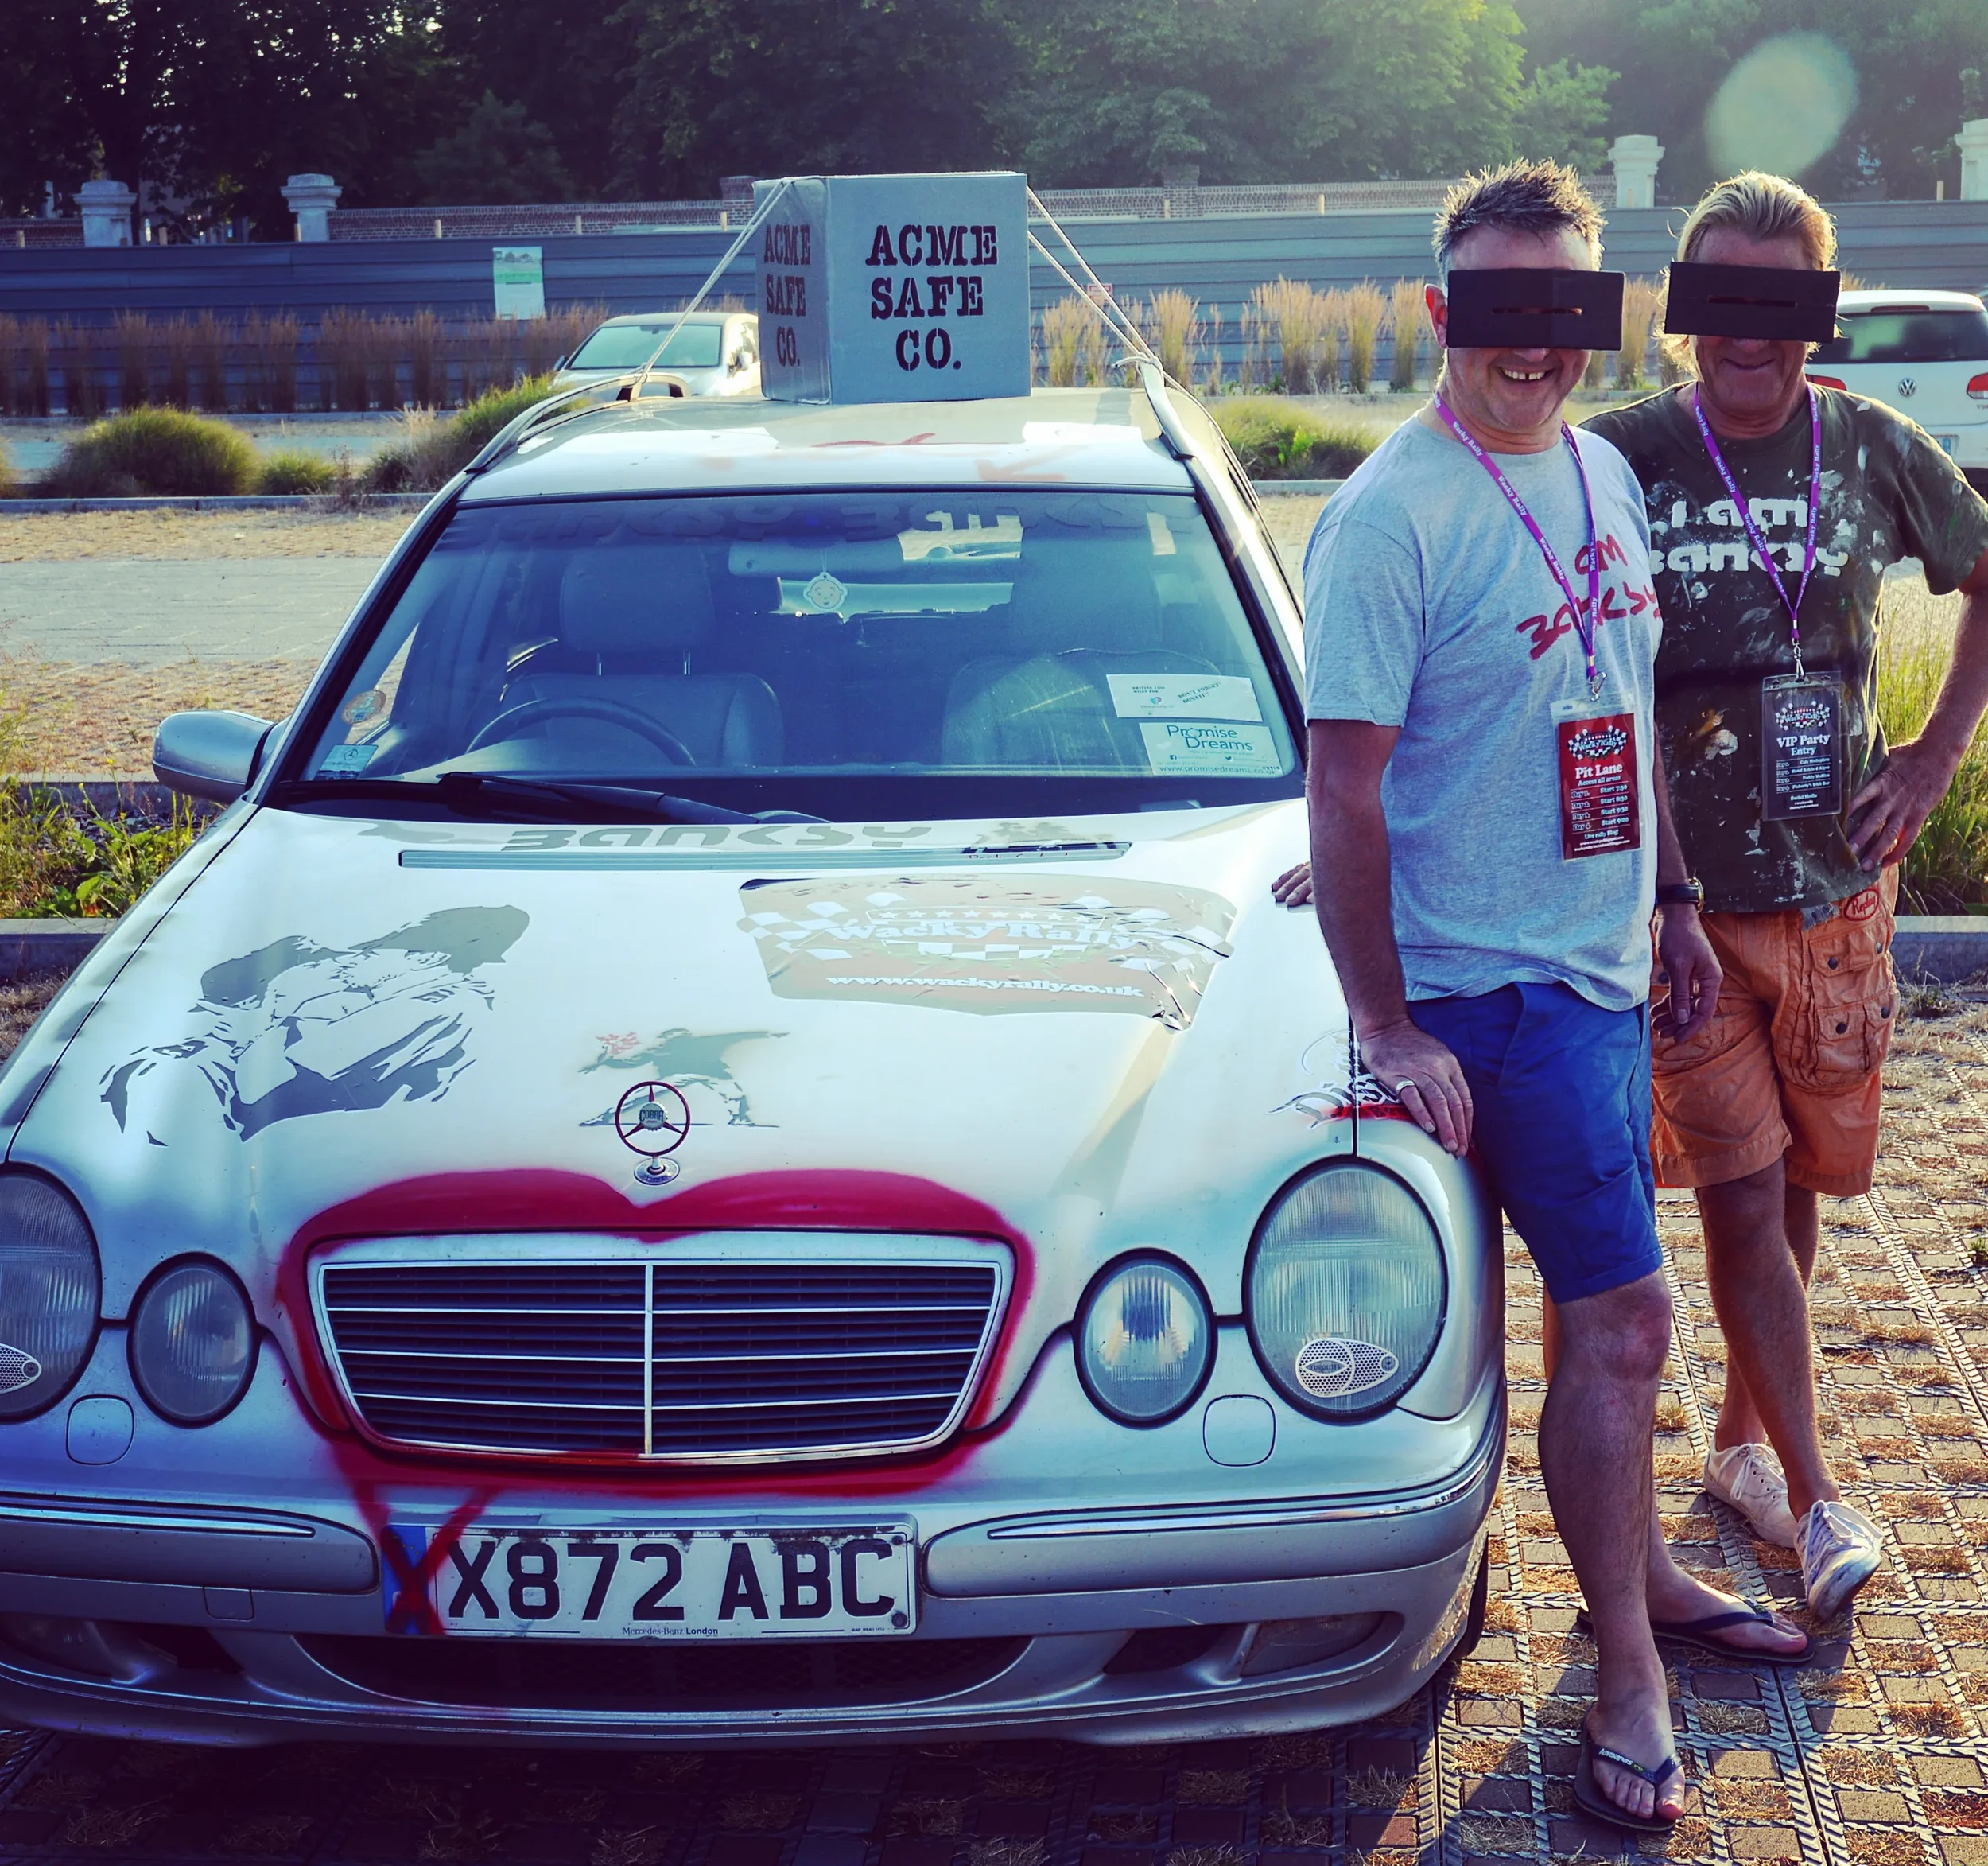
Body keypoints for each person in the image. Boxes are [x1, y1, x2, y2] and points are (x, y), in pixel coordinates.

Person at [1293, 159, 1807, 1837]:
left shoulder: (1594, 469)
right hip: (1485, 991)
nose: (1533, 351)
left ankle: (1634, 1571)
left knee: (1602, 1330)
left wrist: (1659, 894)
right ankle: (1628, 1665)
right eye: (1499, 314)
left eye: (1562, 313)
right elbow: (1345, 787)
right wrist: (1380, 1019)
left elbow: (1619, 698)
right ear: (1444, 315)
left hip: (1596, 960)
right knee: (1625, 1319)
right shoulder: (1389, 516)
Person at [1579, 173, 1988, 1620]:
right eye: (1721, 301)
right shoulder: (1617, 456)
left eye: (1781, 304)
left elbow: (1984, 567)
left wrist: (1935, 757)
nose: (1749, 338)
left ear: (1818, 312)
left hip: (1836, 899)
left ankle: (1746, 1453)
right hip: (1675, 904)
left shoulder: (1876, 448)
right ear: (1686, 309)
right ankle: (1820, 1501)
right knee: (1745, 1194)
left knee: (1798, 1187)